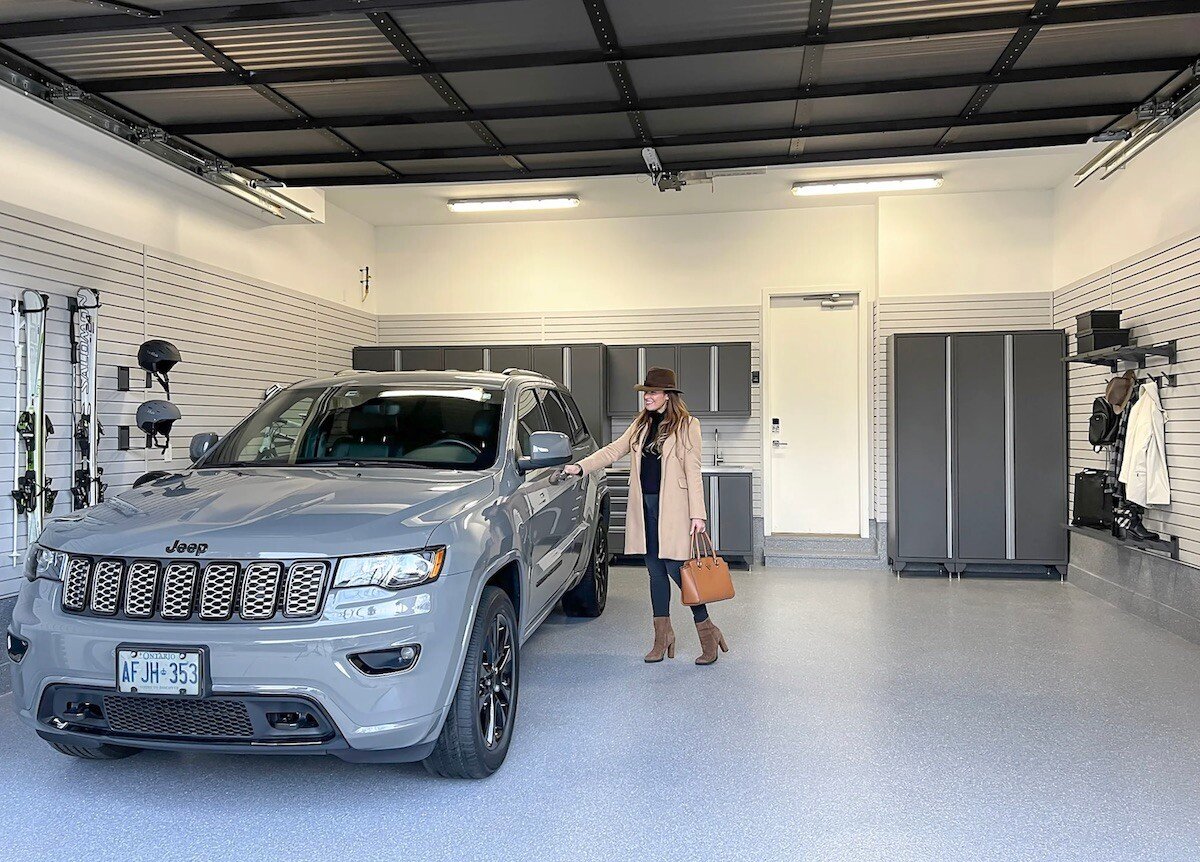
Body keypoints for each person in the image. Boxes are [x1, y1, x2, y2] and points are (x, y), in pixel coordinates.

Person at [564, 367, 730, 665]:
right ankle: (662, 636)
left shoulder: (688, 425)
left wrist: (698, 514)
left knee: (678, 569)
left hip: (674, 509)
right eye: (645, 393)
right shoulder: (640, 425)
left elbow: (693, 471)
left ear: (668, 396)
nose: (647, 398)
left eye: (652, 393)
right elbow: (614, 450)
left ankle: (708, 631)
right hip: (644, 508)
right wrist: (581, 467)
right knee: (655, 571)